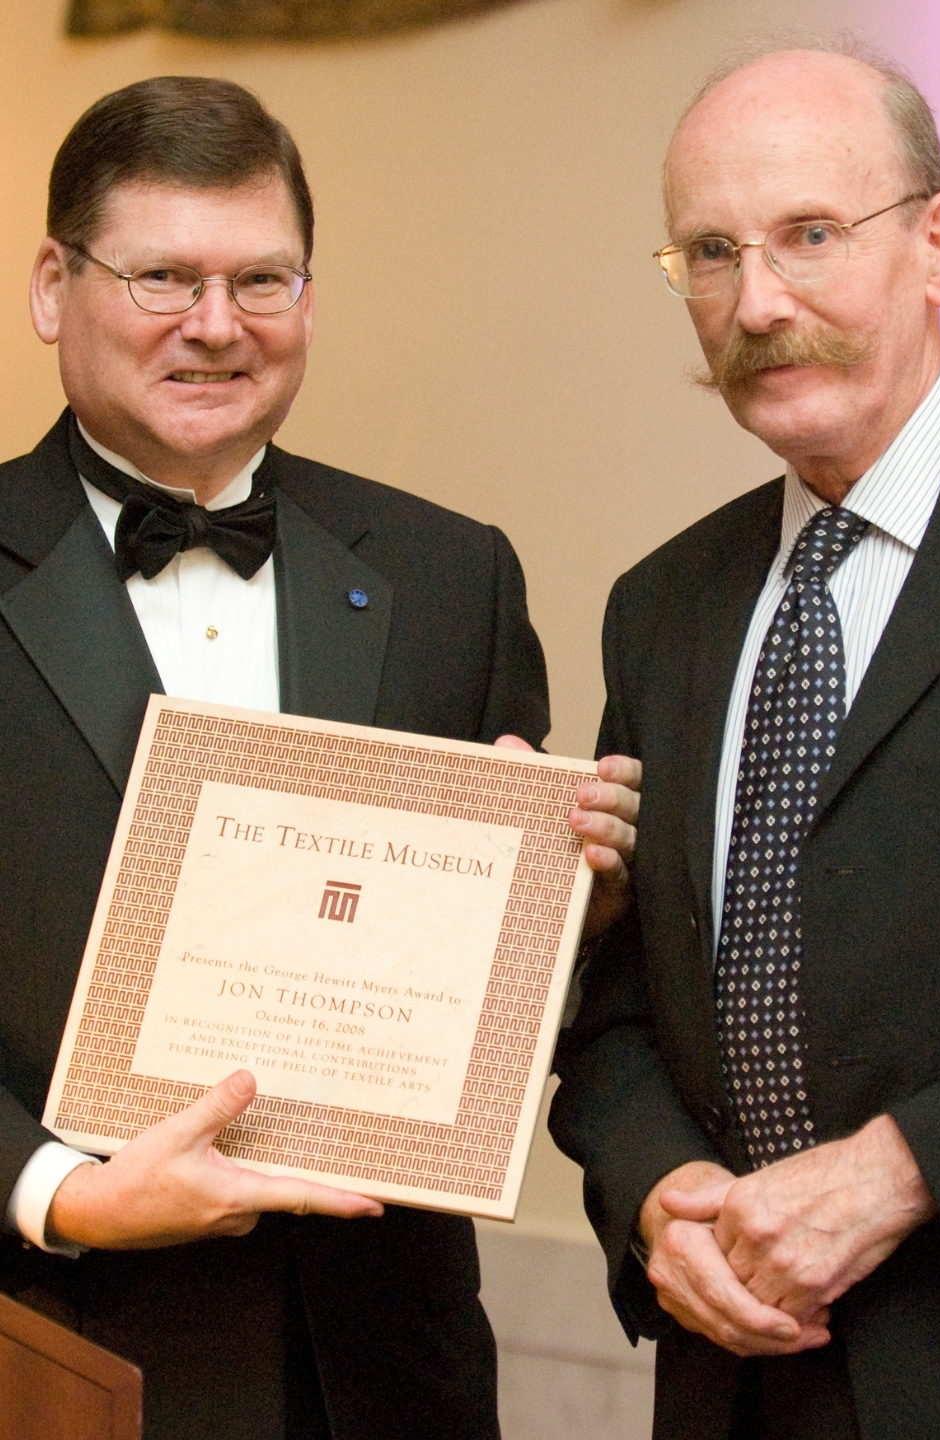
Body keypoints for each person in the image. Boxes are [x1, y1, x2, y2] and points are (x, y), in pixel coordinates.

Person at [0, 77, 639, 1440]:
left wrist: (569, 906)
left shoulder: (449, 574)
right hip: (56, 1358)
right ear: (55, 285)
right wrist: (56, 1189)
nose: (216, 326)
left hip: (387, 1378)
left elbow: (500, 1006)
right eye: (162, 274)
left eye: (262, 279)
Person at [549, 41, 940, 1440]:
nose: (758, 303)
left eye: (810, 237)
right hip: (732, 1387)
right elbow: (615, 1008)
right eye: (711, 254)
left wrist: (913, 1170)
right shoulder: (661, 609)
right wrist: (659, 1190)